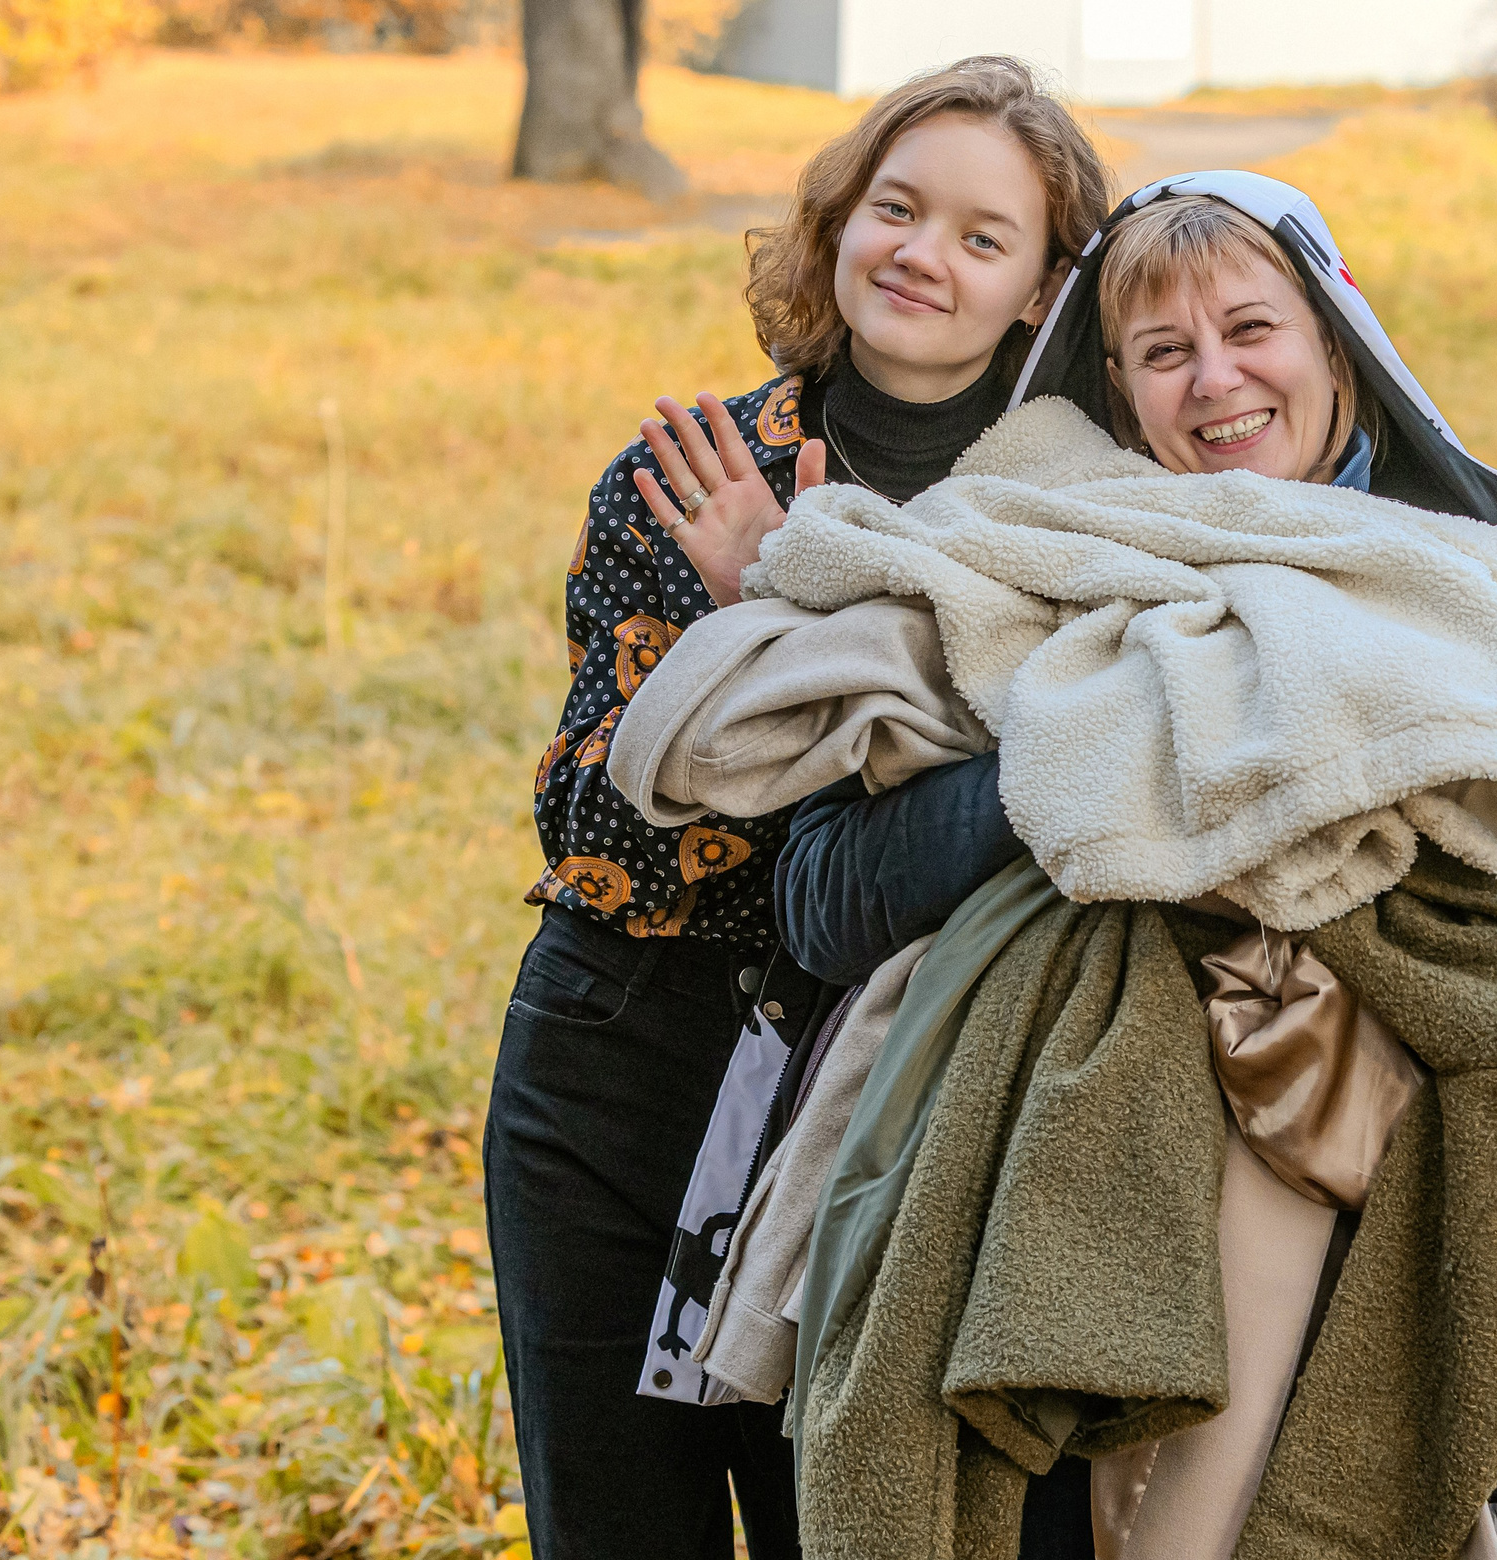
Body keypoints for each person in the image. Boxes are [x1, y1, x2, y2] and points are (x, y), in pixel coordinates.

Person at [770, 177, 1497, 1559]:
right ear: (1114, 390)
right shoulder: (1028, 554)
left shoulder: (1463, 587)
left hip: (1394, 1207)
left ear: (1336, 346)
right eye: (1165, 353)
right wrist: (1117, 757)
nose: (1214, 380)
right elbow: (831, 896)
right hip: (1084, 1189)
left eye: (1251, 329)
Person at [484, 56, 1111, 1560]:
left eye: (981, 235)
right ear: (837, 225)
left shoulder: (1073, 517)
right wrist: (754, 612)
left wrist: (778, 633)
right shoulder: (695, 472)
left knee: (842, 1527)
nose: (922, 254)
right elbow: (596, 828)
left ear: (1040, 291)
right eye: (896, 208)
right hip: (627, 1067)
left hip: (888, 1103)